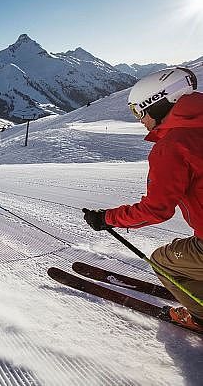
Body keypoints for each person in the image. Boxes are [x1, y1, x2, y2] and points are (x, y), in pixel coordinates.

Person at [82, 67, 203, 332]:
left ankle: (199, 315)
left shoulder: (172, 145)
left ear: (158, 104)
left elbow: (156, 210)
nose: (140, 120)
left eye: (139, 111)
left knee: (162, 261)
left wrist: (106, 219)